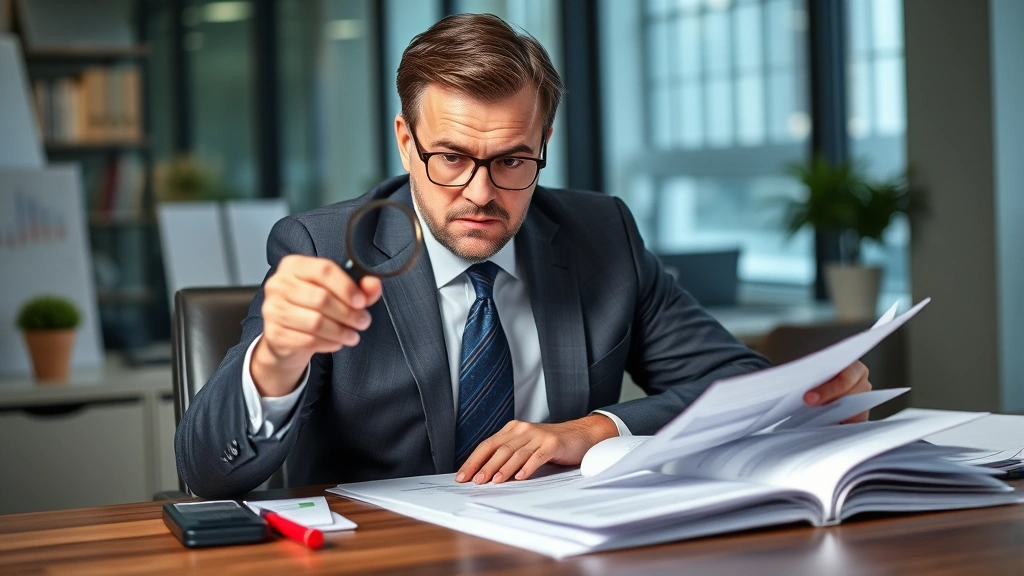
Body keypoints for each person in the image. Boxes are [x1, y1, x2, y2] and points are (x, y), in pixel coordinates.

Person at [175, 14, 872, 499]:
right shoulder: (324, 248)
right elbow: (209, 474)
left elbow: (735, 388)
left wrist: (597, 430)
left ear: (544, 143)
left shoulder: (603, 235)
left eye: (512, 159)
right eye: (450, 157)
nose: (480, 193)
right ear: (404, 140)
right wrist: (275, 363)